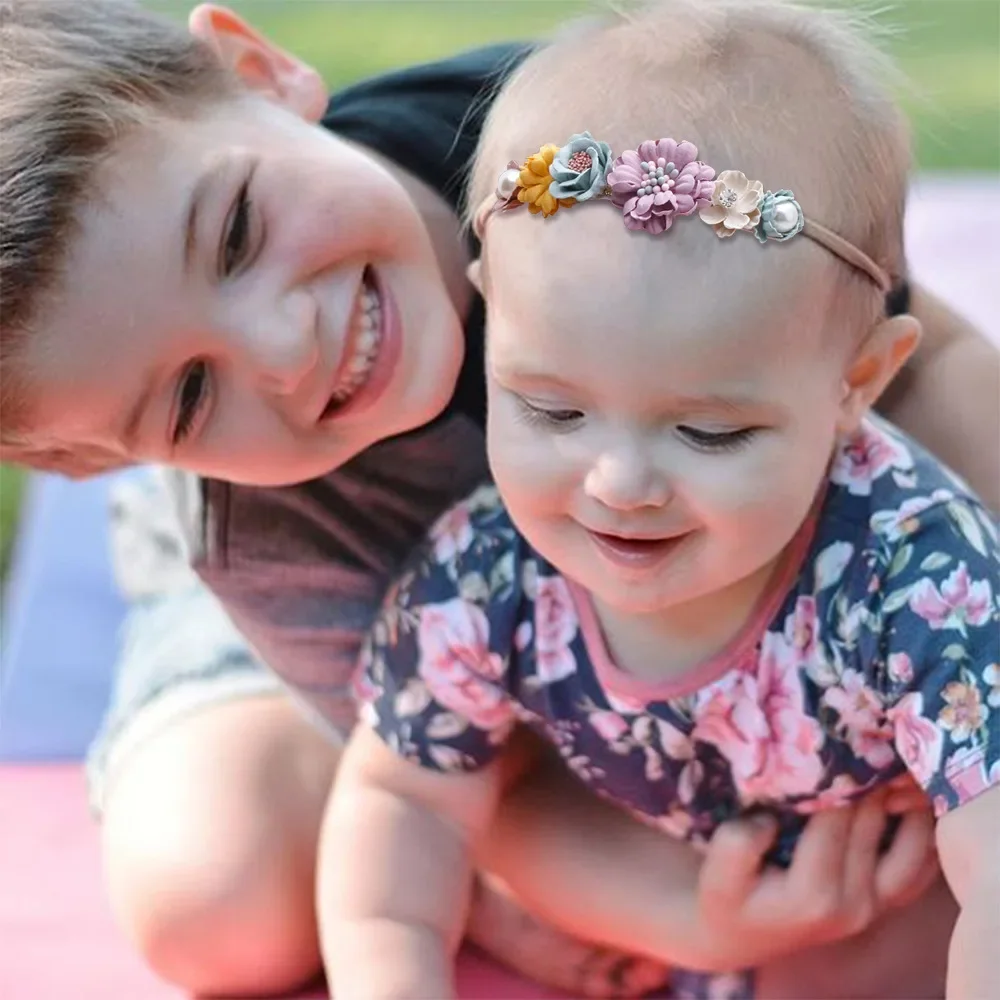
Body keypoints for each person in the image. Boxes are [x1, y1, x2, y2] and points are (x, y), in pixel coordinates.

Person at [0, 0, 993, 995]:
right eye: (189, 393)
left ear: (258, 73)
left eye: (235, 235)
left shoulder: (597, 146)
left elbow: (914, 346)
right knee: (216, 897)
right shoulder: (262, 534)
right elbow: (448, 767)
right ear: (101, 456)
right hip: (366, 601)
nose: (282, 348)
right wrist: (680, 911)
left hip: (632, 598)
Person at [321, 1, 1000, 997]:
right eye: (550, 410)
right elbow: (403, 806)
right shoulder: (487, 574)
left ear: (855, 381)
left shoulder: (916, 568)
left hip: (916, 919)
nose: (618, 484)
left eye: (709, 431)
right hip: (701, 937)